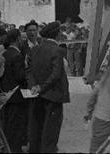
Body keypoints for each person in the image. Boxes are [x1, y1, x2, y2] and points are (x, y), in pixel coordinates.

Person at [26, 21, 70, 153]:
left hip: (37, 96)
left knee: (37, 129)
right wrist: (42, 87)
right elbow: (56, 74)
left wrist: (34, 86)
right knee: (50, 132)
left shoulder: (34, 50)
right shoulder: (58, 50)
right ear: (57, 35)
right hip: (53, 96)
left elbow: (29, 71)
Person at [0, 29, 29, 153]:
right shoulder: (17, 56)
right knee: (17, 126)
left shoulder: (5, 54)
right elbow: (20, 77)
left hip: (7, 94)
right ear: (17, 39)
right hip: (17, 96)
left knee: (9, 125)